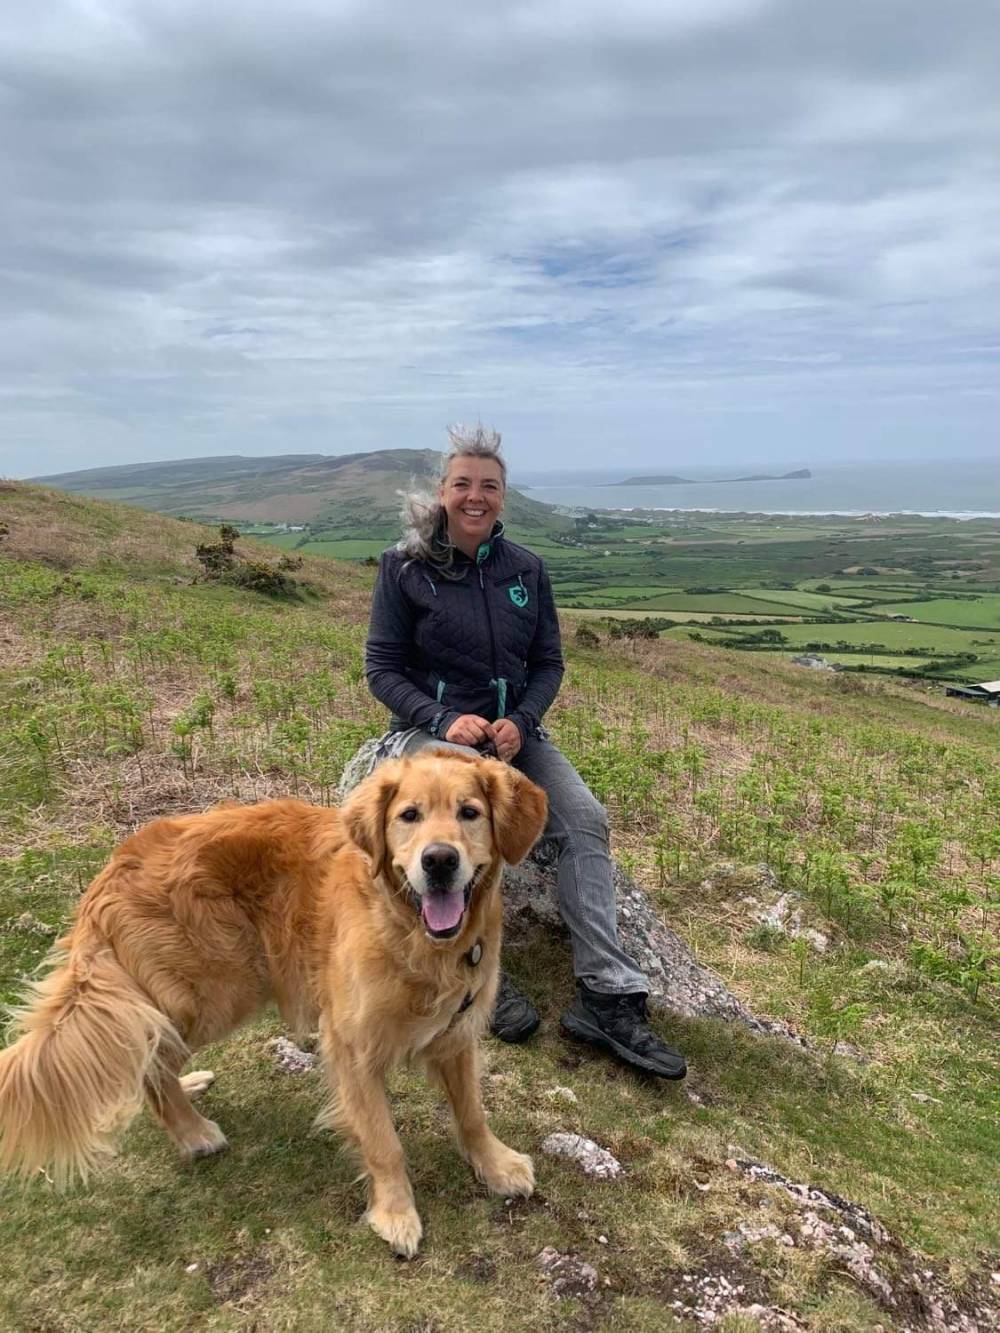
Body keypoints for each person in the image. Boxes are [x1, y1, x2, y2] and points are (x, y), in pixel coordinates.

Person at [364, 424, 686, 1080]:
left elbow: (548, 662)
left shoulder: (526, 571)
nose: (475, 496)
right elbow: (382, 668)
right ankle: (470, 964)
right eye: (463, 484)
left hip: (514, 736)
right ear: (442, 492)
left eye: (489, 485)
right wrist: (443, 717)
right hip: (433, 738)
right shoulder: (404, 568)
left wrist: (522, 720)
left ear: (504, 496)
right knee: (457, 821)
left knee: (585, 818)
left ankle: (606, 993)